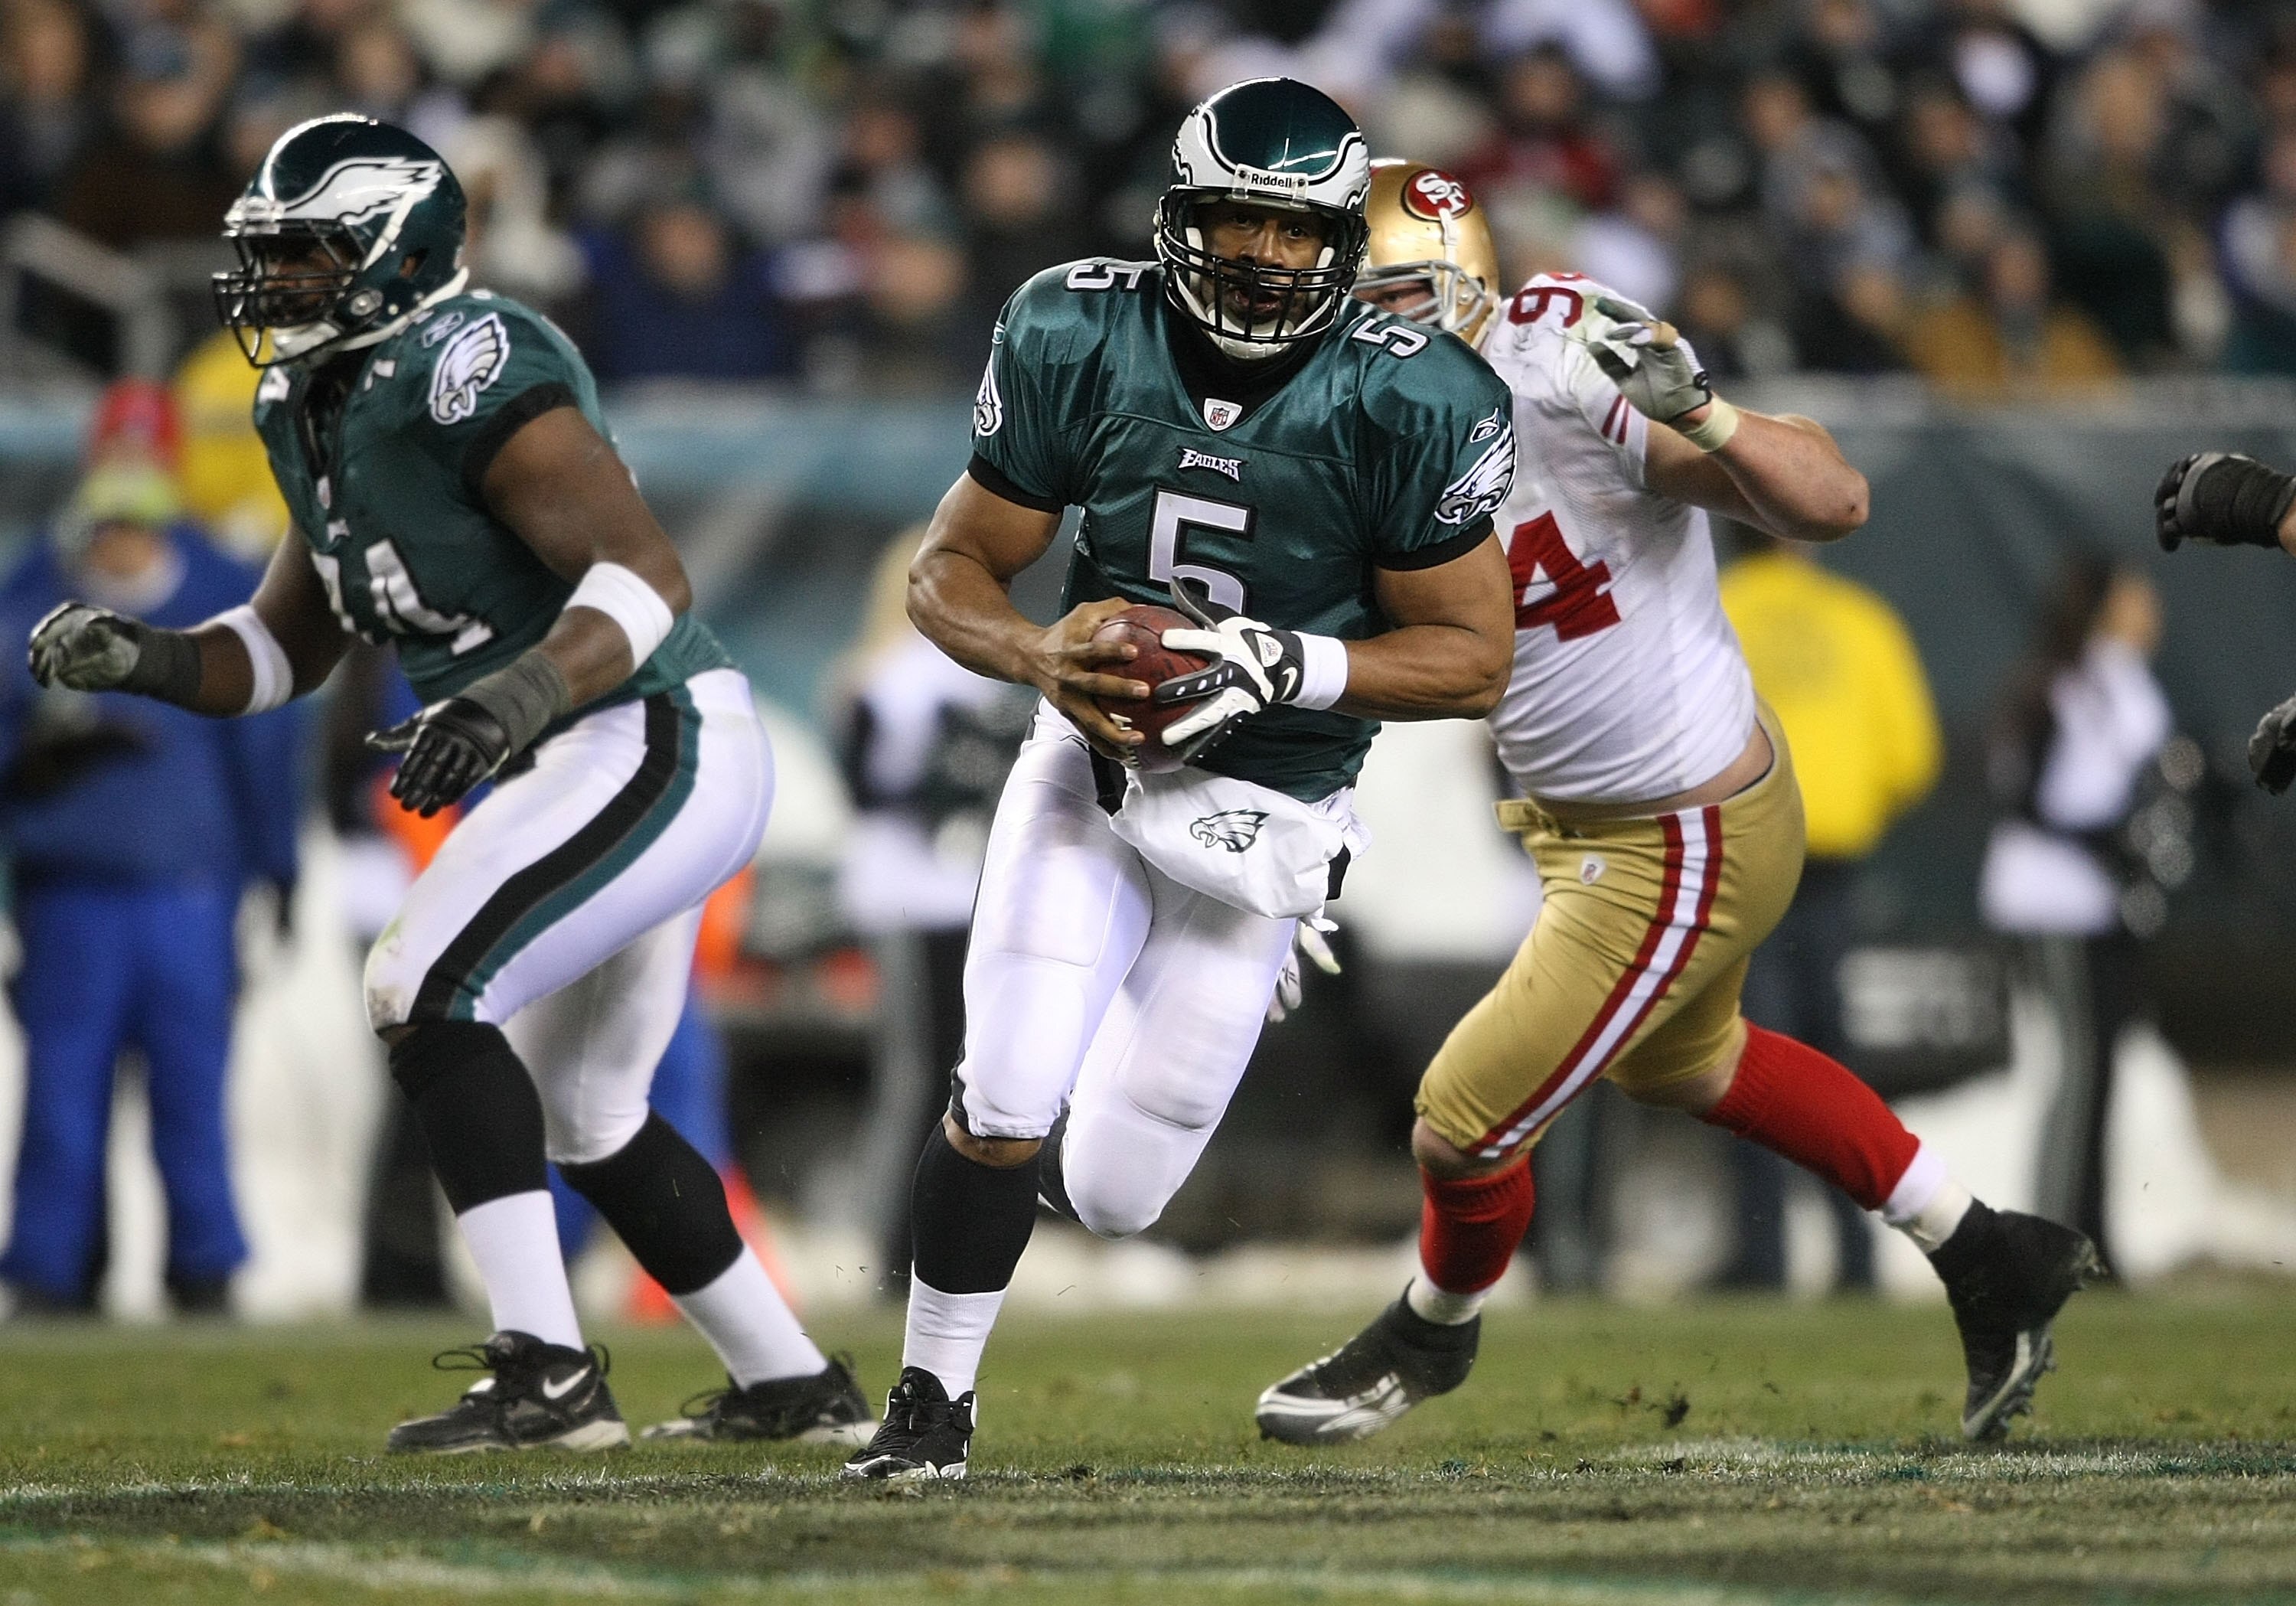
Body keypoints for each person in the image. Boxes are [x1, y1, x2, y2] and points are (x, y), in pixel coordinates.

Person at [27, 114, 868, 1452]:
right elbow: (282, 649)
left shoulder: (470, 362)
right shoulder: (305, 399)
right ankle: (791, 1383)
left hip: (646, 727)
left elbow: (648, 577)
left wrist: (516, 692)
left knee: (420, 985)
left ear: (395, 253)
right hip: (557, 747)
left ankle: (547, 1370)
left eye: (306, 257)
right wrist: (144, 655)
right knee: (590, 1109)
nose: (274, 285)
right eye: (268, 256)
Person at [1256, 159, 2099, 1450]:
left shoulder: (1557, 363)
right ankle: (1992, 1250)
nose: (1356, 338)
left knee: (1463, 1114)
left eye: (1385, 302)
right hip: (1580, 823)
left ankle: (1431, 1326)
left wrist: (1701, 415)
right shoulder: (1347, 440)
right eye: (1337, 308)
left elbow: (1834, 500)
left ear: (1460, 290)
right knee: (1693, 1061)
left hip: (1681, 827)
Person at [839, 80, 1519, 1481]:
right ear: (1175, 217)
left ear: (1343, 244)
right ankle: (928, 1405)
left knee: (1118, 1189)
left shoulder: (1415, 393)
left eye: (1293, 230)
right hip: (1093, 761)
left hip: (1271, 805)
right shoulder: (1075, 327)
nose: (1262, 255)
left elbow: (1473, 658)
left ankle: (1265, 939)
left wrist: (1290, 665)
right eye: (1233, 220)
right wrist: (1038, 649)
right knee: (1009, 1088)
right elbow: (945, 569)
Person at [0, 454, 299, 1315]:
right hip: (74, 888)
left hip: (189, 889)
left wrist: (278, 871)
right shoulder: (33, 611)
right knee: (63, 1091)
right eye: (109, 530)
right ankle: (53, 1268)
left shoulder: (214, 610)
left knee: (192, 1091)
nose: (123, 546)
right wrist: (38, 759)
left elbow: (263, 754)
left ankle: (203, 1266)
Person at [1717, 537, 1942, 1289]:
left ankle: (1763, 1256)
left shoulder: (1708, 613)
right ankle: (1857, 1256)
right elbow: (1911, 755)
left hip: (1743, 860)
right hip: (1832, 863)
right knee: (1834, 1062)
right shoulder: (1860, 618)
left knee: (1746, 1059)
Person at [1978, 554, 2169, 1275]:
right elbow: (2023, 792)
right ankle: (2054, 1233)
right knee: (2081, 1064)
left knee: (2104, 1066)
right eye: (2135, 596)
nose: (2152, 608)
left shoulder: (2124, 683)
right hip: (2052, 898)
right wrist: (2099, 839)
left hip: (2104, 901)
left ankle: (2093, 1229)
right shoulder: (2059, 685)